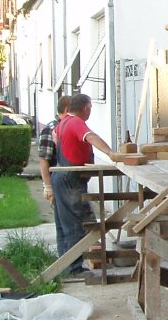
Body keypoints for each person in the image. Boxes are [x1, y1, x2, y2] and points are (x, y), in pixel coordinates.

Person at [50, 93, 118, 277]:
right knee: (75, 225)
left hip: (60, 176)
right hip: (70, 179)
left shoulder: (63, 122)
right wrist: (111, 153)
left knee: (63, 225)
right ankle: (75, 269)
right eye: (90, 109)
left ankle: (64, 266)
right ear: (86, 108)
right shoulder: (76, 123)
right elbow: (91, 137)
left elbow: (56, 138)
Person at [38, 95, 71, 261]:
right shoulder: (51, 129)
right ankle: (65, 261)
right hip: (58, 183)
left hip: (69, 183)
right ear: (67, 110)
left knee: (70, 224)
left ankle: (68, 260)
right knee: (63, 225)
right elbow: (44, 159)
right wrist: (48, 186)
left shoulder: (68, 126)